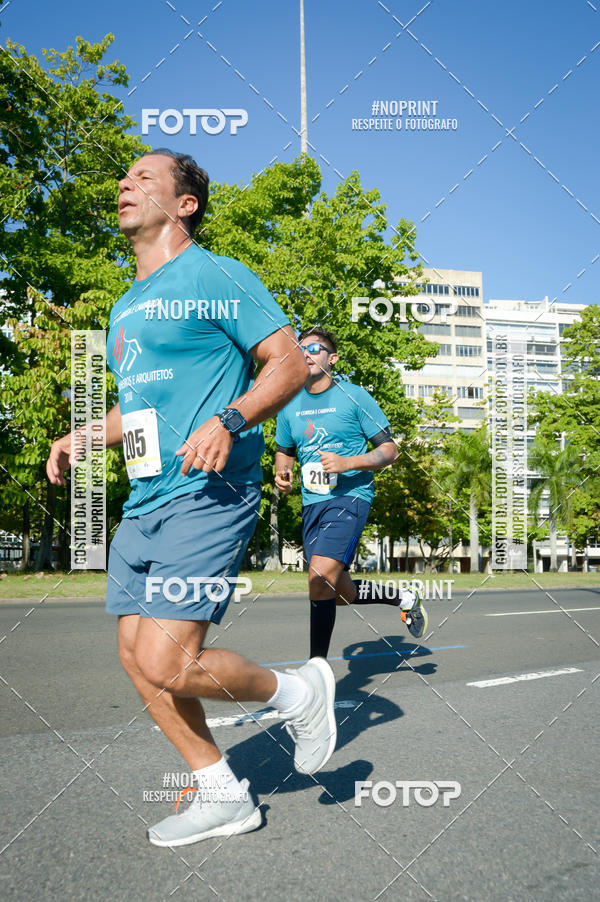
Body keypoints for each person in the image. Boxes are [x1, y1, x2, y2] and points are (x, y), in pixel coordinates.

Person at [46, 149, 337, 848]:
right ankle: (222, 793)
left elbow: (289, 361)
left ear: (185, 205)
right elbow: (140, 409)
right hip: (148, 498)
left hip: (211, 490)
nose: (126, 184)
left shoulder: (215, 274)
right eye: (124, 177)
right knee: (134, 655)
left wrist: (230, 420)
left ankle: (299, 692)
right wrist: (87, 433)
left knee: (170, 660)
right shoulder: (125, 306)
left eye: (145, 177)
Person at [274, 327, 428, 660]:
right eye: (301, 349)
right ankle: (404, 598)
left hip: (350, 497)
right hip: (312, 504)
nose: (307, 353)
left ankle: (317, 670)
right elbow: (284, 449)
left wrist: (348, 462)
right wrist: (281, 473)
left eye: (315, 348)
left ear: (332, 358)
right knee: (336, 591)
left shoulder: (355, 396)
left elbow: (390, 450)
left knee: (318, 576)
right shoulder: (287, 405)